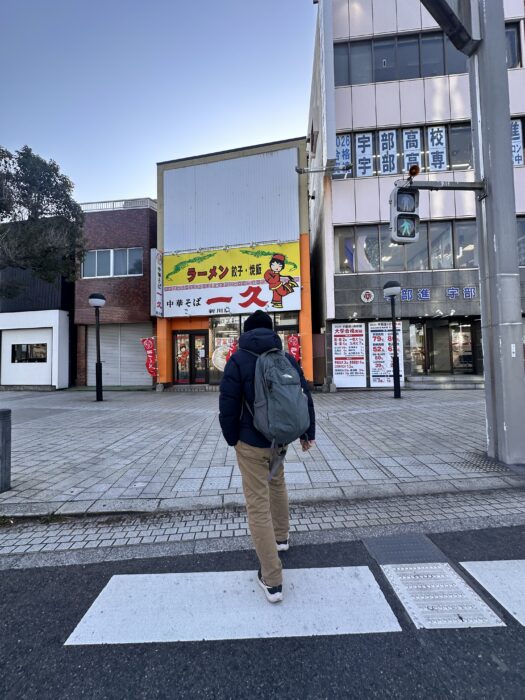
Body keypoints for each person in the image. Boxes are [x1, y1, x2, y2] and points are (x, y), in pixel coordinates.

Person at [219, 310, 315, 603]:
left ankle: (272, 580)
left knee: (257, 504)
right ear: (271, 331)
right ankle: (281, 538)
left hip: (251, 443)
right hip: (280, 441)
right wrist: (308, 433)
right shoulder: (285, 358)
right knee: (277, 483)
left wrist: (232, 438)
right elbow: (304, 396)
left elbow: (227, 403)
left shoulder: (238, 359)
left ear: (246, 332)